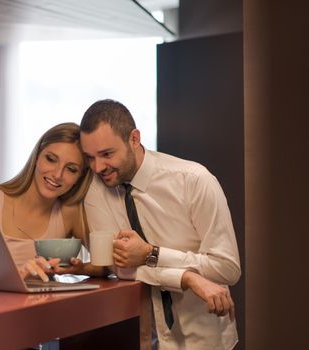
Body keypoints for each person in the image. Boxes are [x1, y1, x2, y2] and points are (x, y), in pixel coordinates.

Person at [78, 99, 241, 350]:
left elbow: (227, 268)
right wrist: (186, 278)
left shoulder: (195, 181)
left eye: (107, 154)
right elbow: (117, 266)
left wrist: (151, 254)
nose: (98, 167)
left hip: (206, 342)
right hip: (142, 338)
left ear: (134, 138)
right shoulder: (97, 191)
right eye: (90, 158)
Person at [0, 122, 105, 282]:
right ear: (36, 157)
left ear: (80, 177)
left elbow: (104, 266)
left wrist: (80, 268)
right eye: (51, 159)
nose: (57, 174)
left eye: (71, 169)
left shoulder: (69, 213)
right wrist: (21, 274)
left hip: (43, 306)